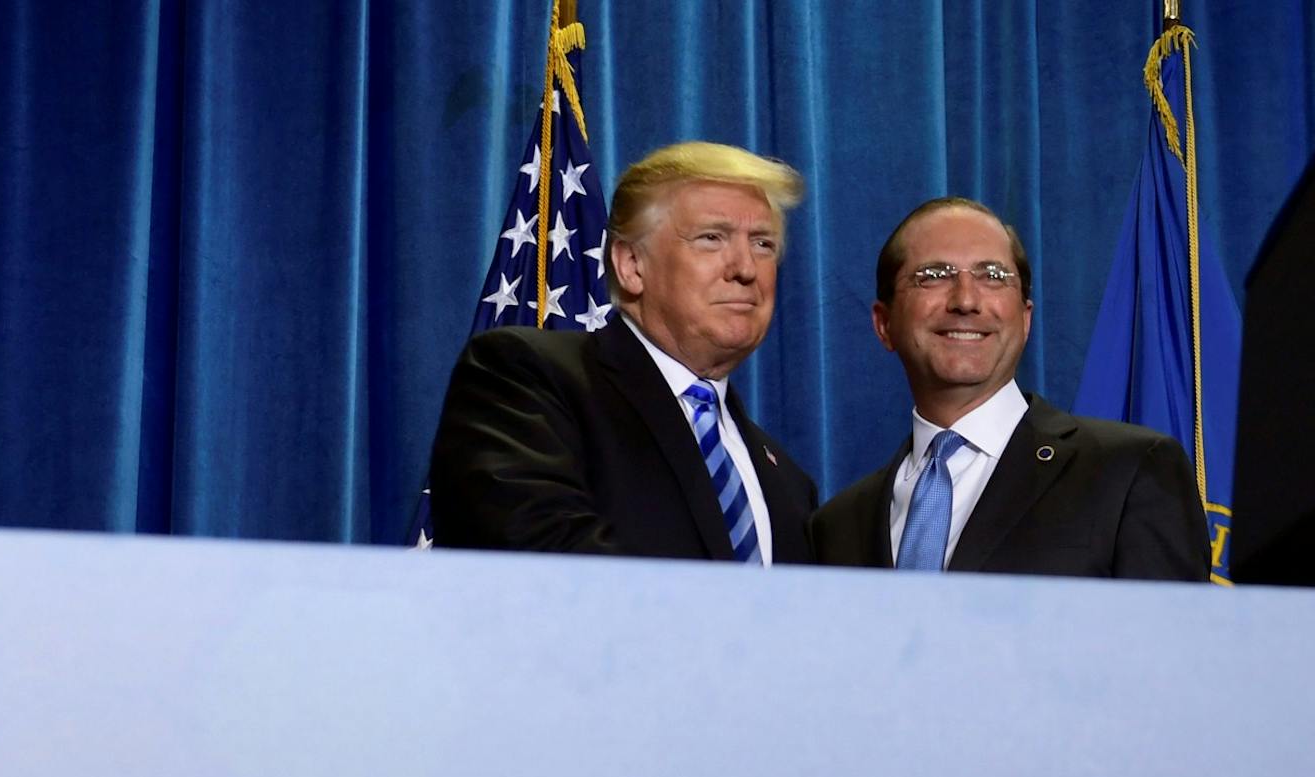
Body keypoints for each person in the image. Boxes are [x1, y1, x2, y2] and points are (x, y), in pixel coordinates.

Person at [429, 142, 816, 563]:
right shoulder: (525, 378)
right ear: (632, 264)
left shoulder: (791, 487)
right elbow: (537, 557)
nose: (745, 268)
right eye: (712, 238)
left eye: (763, 244)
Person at [811, 197, 1208, 580]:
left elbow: (1172, 645)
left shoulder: (1130, 470)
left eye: (993, 277)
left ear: (1025, 319)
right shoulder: (836, 526)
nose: (966, 300)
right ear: (884, 324)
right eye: (934, 276)